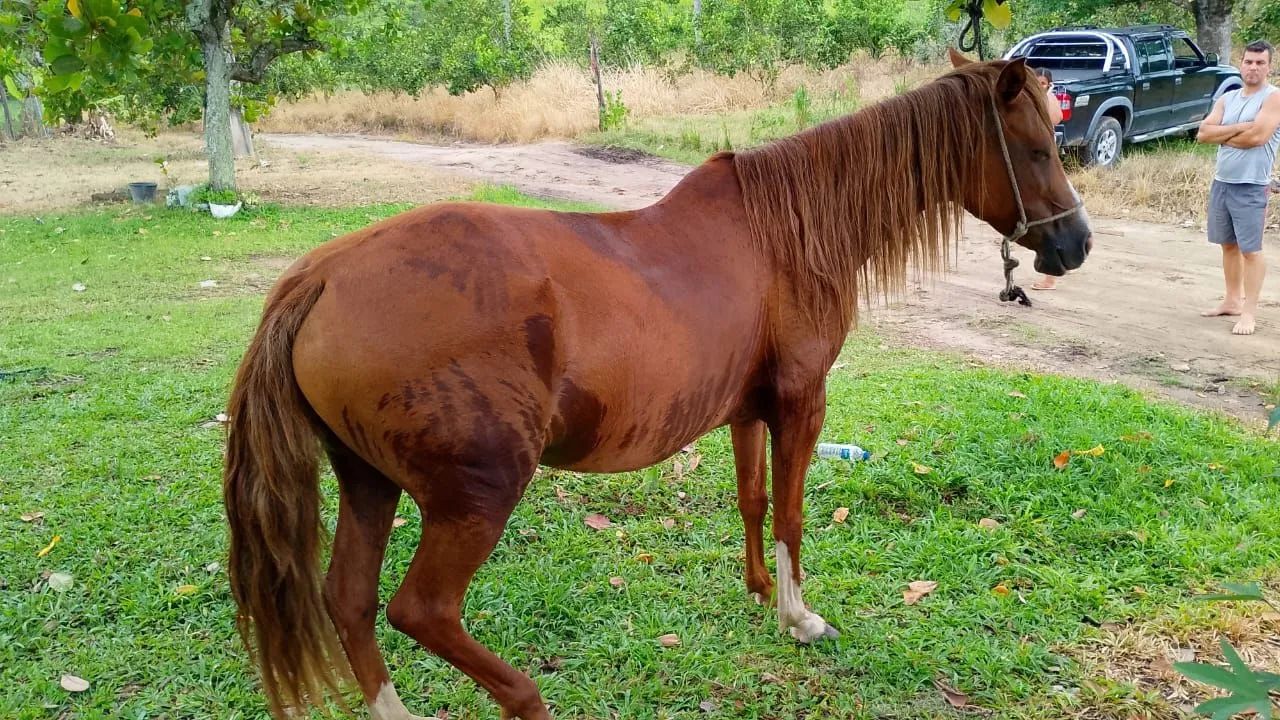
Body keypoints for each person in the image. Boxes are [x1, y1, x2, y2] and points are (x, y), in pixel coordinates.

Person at [1195, 39, 1280, 335]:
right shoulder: (1228, 98)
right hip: (1223, 182)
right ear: (1240, 63)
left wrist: (1223, 134)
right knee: (1228, 245)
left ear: (1269, 67)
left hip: (1252, 186)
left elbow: (1257, 137)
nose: (1253, 67)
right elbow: (1203, 134)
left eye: (1260, 63)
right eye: (1248, 61)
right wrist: (1241, 126)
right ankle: (1231, 300)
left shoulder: (1274, 98)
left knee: (1251, 250)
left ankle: (1249, 312)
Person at [1032, 67, 1066, 291]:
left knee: (1047, 218)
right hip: (1037, 165)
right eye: (1037, 82)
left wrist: (1047, 94)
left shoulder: (1047, 100)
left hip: (1045, 167)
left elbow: (1057, 117)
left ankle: (1050, 276)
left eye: (1044, 83)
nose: (1040, 85)